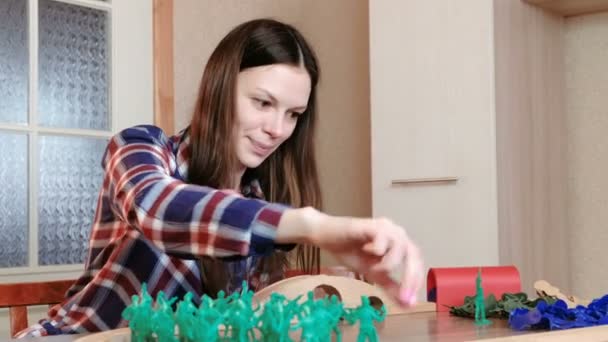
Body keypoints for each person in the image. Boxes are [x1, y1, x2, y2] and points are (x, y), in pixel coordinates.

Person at [16, 18, 424, 337]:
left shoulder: (259, 202)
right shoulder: (141, 149)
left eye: (293, 114)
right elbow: (158, 209)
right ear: (219, 88)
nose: (277, 129)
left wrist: (313, 292)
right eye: (263, 102)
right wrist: (311, 224)